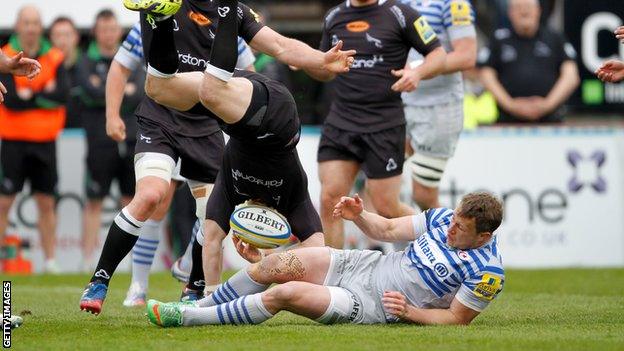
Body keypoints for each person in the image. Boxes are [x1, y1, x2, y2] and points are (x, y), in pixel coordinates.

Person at [79, 0, 354, 315]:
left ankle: (195, 289)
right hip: (161, 120)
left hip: (207, 122)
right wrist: (112, 115)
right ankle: (100, 279)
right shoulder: (172, 3)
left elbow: (277, 47)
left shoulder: (235, 13)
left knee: (208, 215)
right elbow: (121, 65)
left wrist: (320, 58)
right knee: (150, 195)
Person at [146, 191, 505, 327]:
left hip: (368, 304)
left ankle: (191, 317)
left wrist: (411, 313)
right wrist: (359, 216)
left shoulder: (487, 271)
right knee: (272, 266)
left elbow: (457, 319)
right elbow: (389, 231)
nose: (450, 229)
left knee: (283, 295)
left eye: (461, 228)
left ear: (484, 236)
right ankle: (208, 301)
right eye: (454, 220)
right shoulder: (443, 217)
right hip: (360, 264)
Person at [107, 20, 257, 307]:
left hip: (203, 128)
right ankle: (138, 286)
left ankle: (188, 262)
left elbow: (249, 75)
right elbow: (120, 66)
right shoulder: (160, 16)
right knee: (155, 201)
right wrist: (112, 115)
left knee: (213, 208)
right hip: (164, 126)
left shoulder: (221, 20)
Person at [306, 0, 446, 250]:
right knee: (330, 199)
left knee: (386, 207)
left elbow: (438, 54)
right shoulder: (334, 16)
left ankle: (434, 250)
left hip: (384, 124)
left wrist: (417, 73)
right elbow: (325, 71)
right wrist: (312, 64)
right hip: (341, 122)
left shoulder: (401, 14)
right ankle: (333, 276)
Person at [76, 10, 145, 274]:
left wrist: (107, 86)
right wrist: (117, 89)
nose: (108, 33)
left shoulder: (134, 58)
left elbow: (137, 92)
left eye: (112, 28)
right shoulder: (85, 60)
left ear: (119, 31)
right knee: (95, 199)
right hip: (99, 139)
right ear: (96, 31)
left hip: (132, 137)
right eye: (103, 29)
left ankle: (127, 259)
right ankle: (87, 257)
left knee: (130, 200)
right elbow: (90, 93)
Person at [0, 6, 68, 273]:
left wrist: (31, 95)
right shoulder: (6, 54)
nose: (31, 28)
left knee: (46, 202)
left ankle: (50, 261)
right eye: (26, 22)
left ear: (41, 27)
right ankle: (4, 261)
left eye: (35, 23)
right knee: (4, 201)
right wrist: (42, 92)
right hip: (13, 140)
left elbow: (61, 94)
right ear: (18, 26)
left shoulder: (54, 56)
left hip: (45, 141)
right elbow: (13, 101)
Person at [399, 0, 477, 211]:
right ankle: (394, 242)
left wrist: (417, 69)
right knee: (380, 185)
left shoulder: (454, 3)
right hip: (400, 104)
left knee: (423, 194)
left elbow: (467, 56)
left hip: (439, 108)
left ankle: (450, 241)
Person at [478, 0, 579, 124]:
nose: (524, 11)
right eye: (518, 7)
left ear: (539, 11)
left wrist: (547, 104)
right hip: (507, 124)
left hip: (551, 122)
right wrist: (511, 105)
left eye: (528, 7)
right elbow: (485, 75)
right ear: (510, 13)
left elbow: (571, 76)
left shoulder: (555, 37)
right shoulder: (498, 40)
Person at [49, 16, 83, 129]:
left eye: (67, 35)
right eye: (58, 36)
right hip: (51, 131)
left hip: (82, 133)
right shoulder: (43, 69)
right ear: (51, 39)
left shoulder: (86, 67)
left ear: (76, 37)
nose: (62, 41)